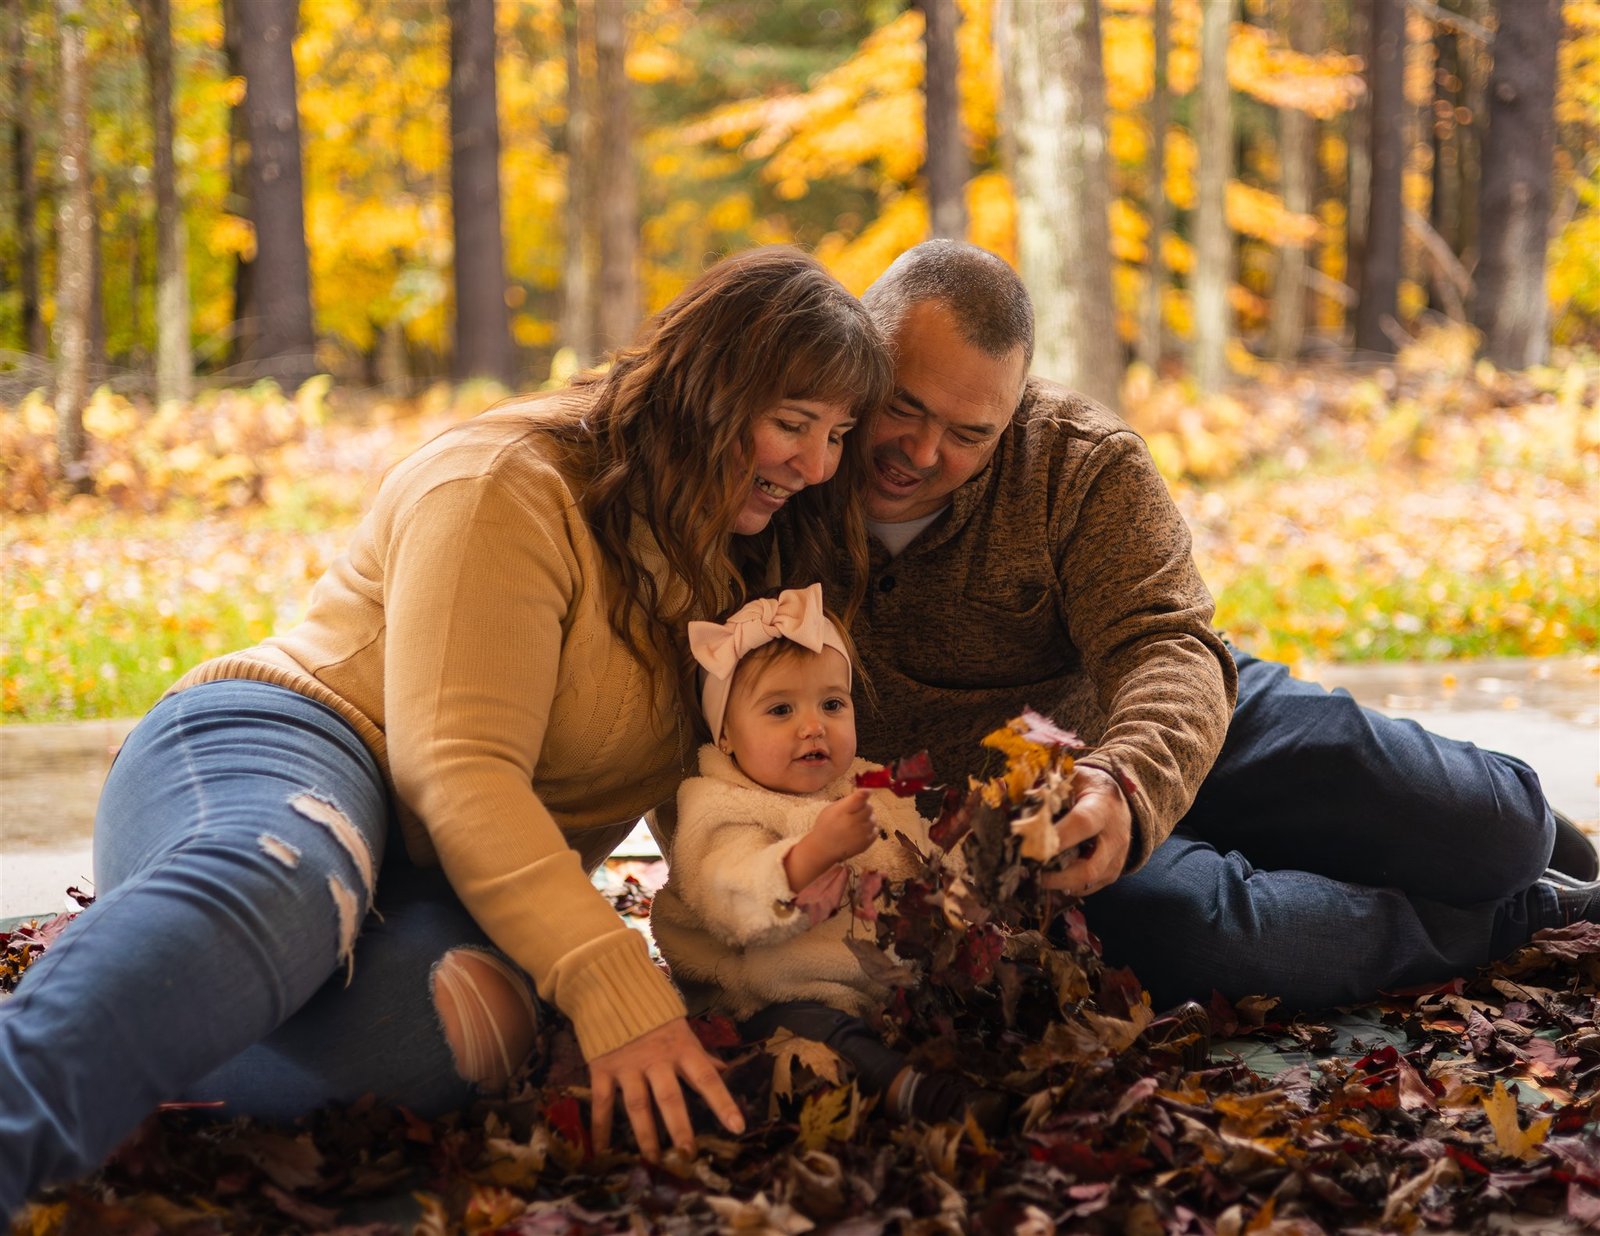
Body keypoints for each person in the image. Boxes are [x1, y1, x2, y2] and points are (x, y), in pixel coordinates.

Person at [0, 247, 894, 1219]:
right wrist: (605, 976)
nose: (817, 466)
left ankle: (141, 985)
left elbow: (721, 794)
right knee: (294, 880)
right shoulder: (503, 484)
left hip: (440, 883)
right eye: (792, 424)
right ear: (705, 391)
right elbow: (460, 770)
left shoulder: (745, 555)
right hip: (289, 747)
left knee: (445, 1033)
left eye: (837, 434)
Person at [815, 238, 1597, 1016]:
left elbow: (1166, 645)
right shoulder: (786, 481)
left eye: (969, 435)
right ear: (859, 352)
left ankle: (1515, 843)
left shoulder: (1076, 460)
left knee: (1499, 831)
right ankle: (1517, 917)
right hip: (1032, 817)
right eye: (904, 407)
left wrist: (1128, 778)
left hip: (1176, 716)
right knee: (1192, 937)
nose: (921, 452)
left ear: (1012, 410)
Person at [650, 584, 1008, 1131]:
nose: (813, 725)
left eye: (832, 704)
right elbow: (731, 896)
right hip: (768, 991)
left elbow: (917, 857)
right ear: (725, 736)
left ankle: (994, 1055)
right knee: (812, 1034)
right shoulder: (720, 806)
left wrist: (970, 859)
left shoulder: (865, 783)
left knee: (987, 977)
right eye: (781, 709)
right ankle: (912, 1094)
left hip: (880, 978)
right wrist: (812, 854)